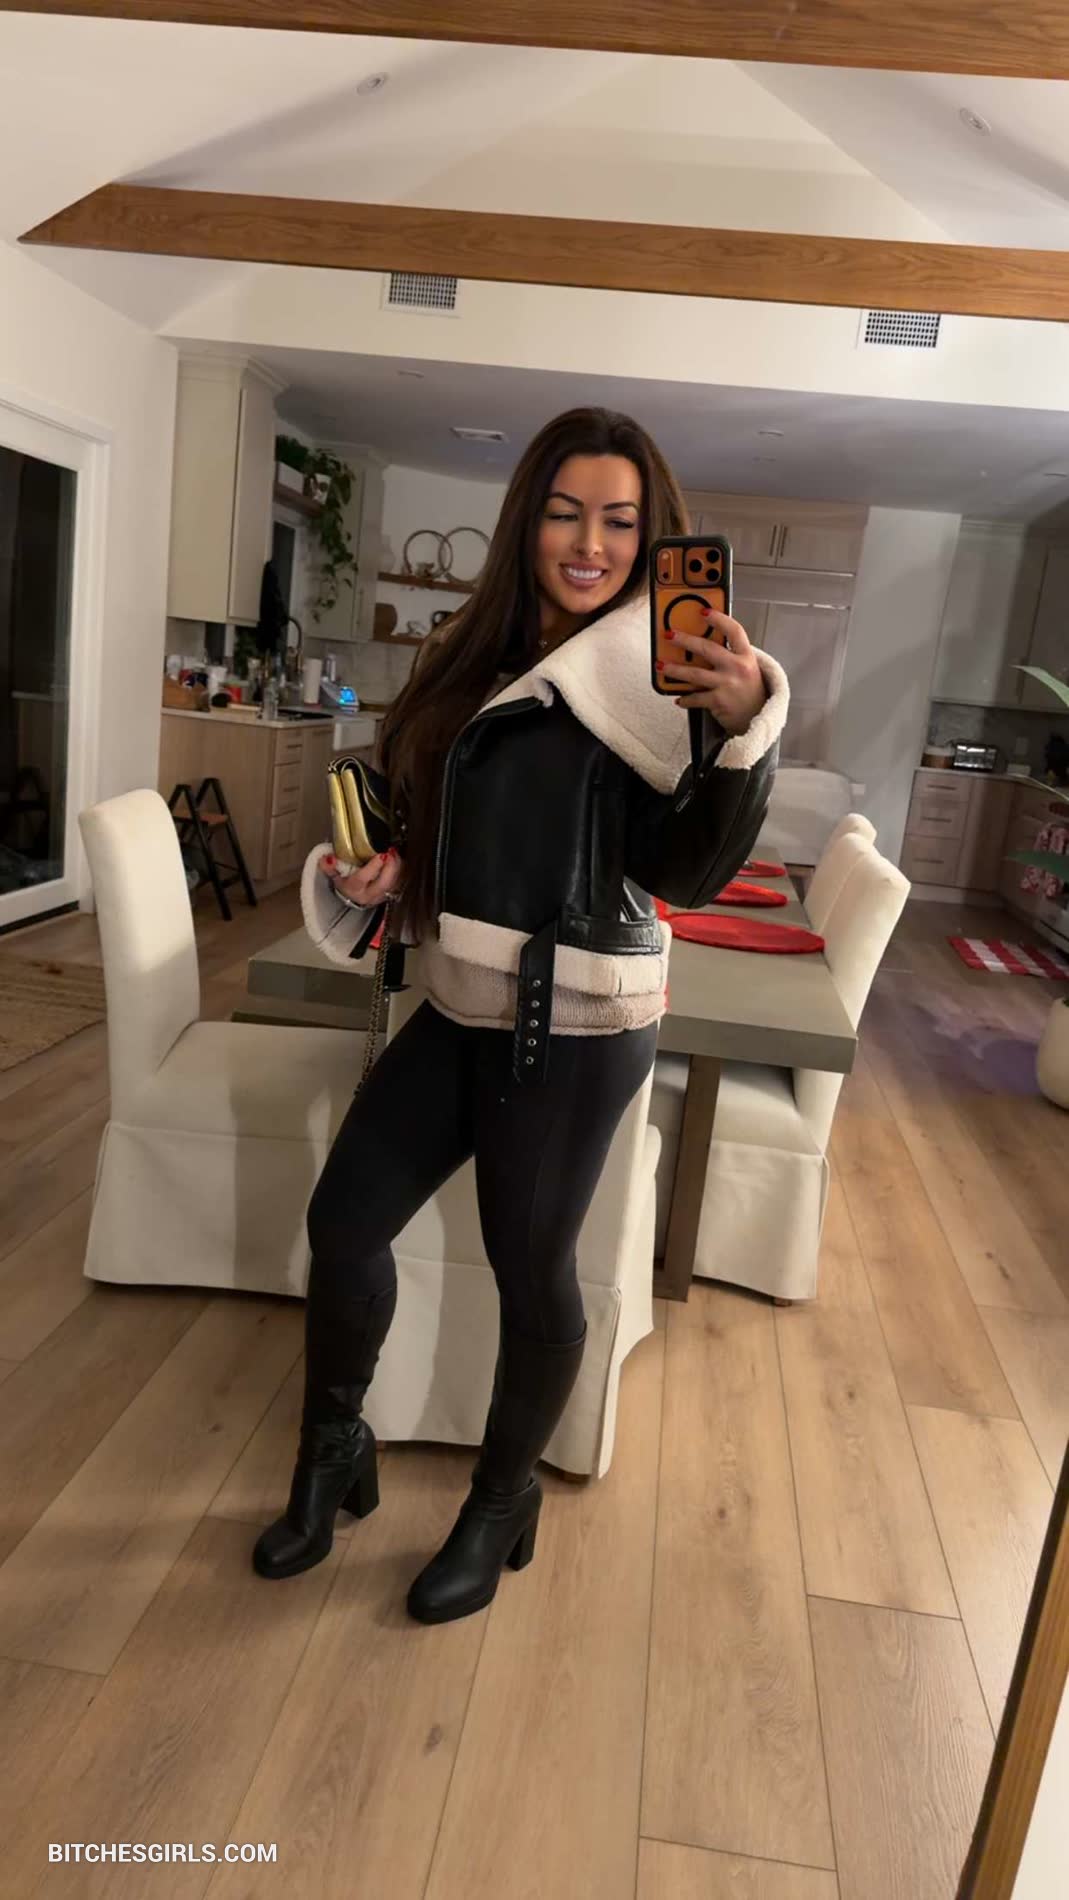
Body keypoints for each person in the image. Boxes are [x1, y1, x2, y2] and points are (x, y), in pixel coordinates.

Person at [252, 407, 788, 1624]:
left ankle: (501, 1500)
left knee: (530, 1269)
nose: (588, 543)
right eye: (563, 512)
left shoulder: (654, 675)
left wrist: (742, 728)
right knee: (344, 1222)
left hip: (577, 1021)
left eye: (619, 521)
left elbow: (685, 871)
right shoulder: (471, 645)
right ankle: (332, 1451)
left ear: (653, 538)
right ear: (525, 521)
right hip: (459, 997)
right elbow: (427, 801)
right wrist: (391, 861)